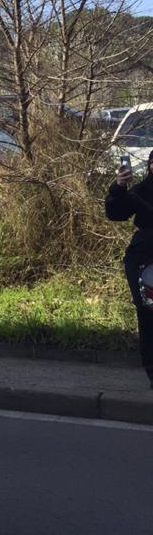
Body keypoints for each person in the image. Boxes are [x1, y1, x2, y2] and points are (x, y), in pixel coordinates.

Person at [104, 152, 153, 389]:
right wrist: (119, 186)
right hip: (144, 260)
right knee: (148, 314)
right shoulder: (142, 190)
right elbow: (116, 213)